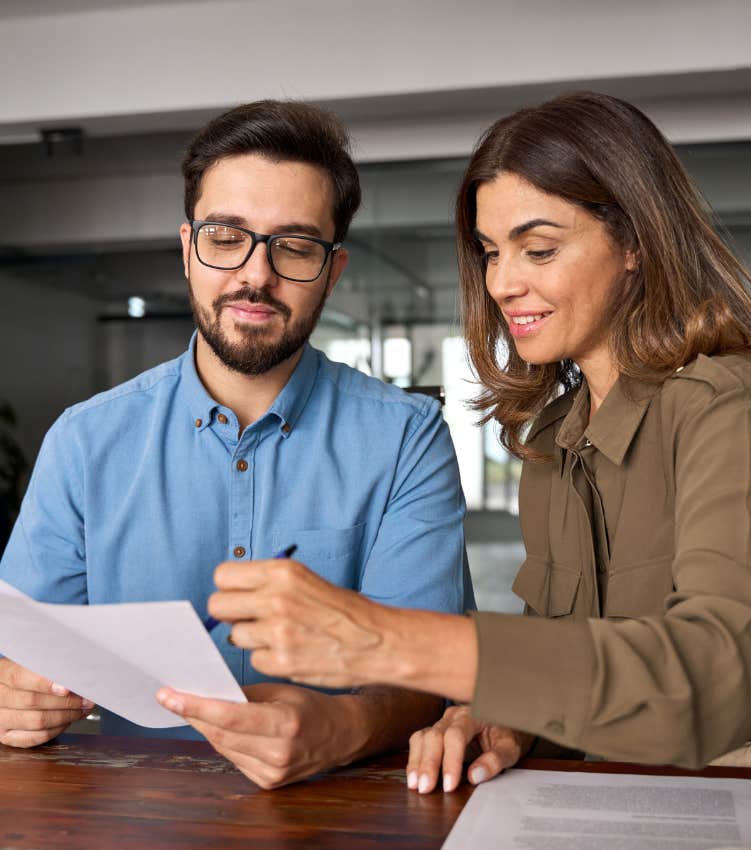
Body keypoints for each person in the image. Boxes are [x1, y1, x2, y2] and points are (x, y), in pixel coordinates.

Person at [199, 91, 751, 792]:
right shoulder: (556, 438)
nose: (503, 283)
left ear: (635, 242)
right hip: (630, 773)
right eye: (490, 252)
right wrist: (505, 714)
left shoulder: (733, 400)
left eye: (538, 248)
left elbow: (708, 681)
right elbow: (579, 655)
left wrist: (382, 639)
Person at [0, 99, 474, 789]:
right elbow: (21, 647)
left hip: (343, 811)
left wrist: (340, 728)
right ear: (187, 247)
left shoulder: (407, 439)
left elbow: (429, 676)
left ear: (333, 270)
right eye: (227, 236)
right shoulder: (83, 442)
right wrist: (13, 696)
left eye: (295, 246)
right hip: (130, 811)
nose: (257, 275)